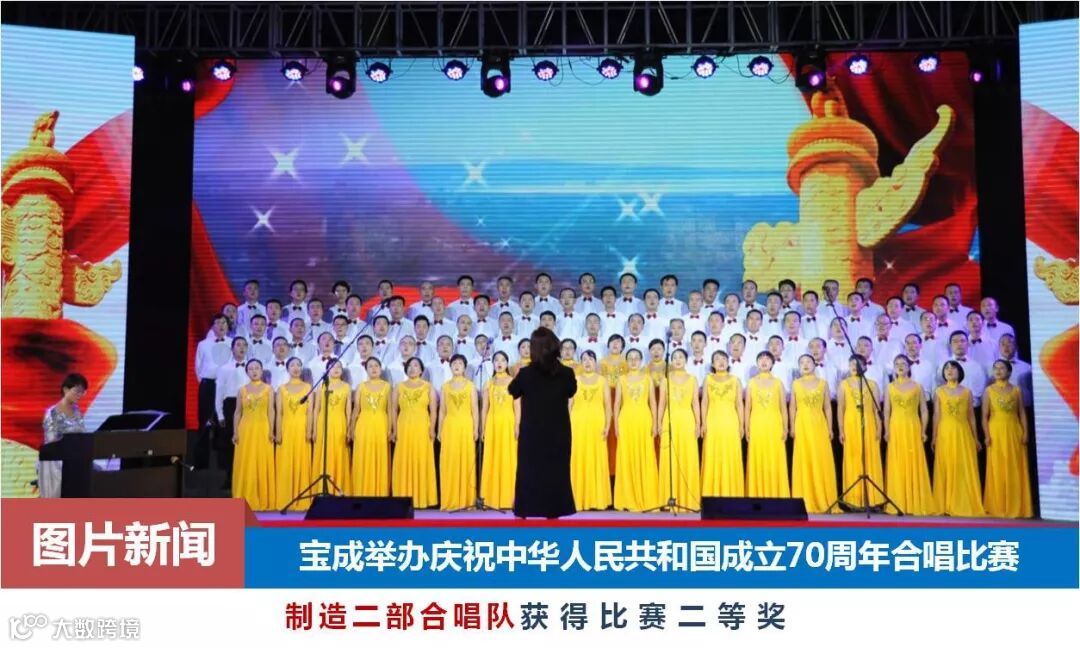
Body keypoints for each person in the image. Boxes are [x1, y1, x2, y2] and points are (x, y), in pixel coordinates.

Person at [508, 327, 578, 518]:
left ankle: (525, 508)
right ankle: (554, 510)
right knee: (556, 470)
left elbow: (513, 390)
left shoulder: (525, 373)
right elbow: (571, 391)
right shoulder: (566, 372)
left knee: (529, 469)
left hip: (532, 432)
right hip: (558, 431)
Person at [883, 355, 938, 516]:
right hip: (896, 427)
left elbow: (924, 410)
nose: (900, 366)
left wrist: (923, 430)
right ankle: (898, 502)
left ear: (909, 367)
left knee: (913, 461)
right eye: (897, 364)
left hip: (913, 426)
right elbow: (886, 411)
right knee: (897, 461)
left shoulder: (917, 387)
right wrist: (886, 430)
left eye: (903, 363)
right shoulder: (890, 387)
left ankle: (915, 502)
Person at [933, 361, 984, 517]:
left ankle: (963, 503)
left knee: (963, 467)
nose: (949, 371)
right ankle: (945, 504)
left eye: (952, 368)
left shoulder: (967, 392)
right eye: (946, 369)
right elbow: (936, 415)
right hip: (945, 432)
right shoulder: (939, 391)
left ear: (959, 371)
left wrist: (976, 438)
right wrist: (934, 437)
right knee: (947, 465)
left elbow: (971, 417)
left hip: (963, 433)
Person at [982, 360, 1033, 518]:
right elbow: (984, 416)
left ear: (1009, 372)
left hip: (1014, 431)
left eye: (1002, 368)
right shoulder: (989, 391)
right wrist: (987, 435)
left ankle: (1017, 506)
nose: (998, 370)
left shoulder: (1016, 390)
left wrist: (1026, 432)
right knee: (997, 467)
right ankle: (998, 506)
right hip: (996, 431)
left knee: (1015, 467)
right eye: (995, 368)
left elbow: (1022, 412)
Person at [789, 355, 837, 513]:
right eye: (801, 362)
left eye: (808, 362)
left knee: (820, 458)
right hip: (802, 424)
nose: (805, 365)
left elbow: (828, 407)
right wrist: (792, 427)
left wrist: (830, 428)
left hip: (819, 424)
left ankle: (823, 498)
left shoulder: (823, 383)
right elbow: (792, 407)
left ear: (814, 365)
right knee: (805, 459)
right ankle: (805, 499)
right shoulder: (795, 384)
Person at [613, 348, 660, 511]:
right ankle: (627, 498)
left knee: (645, 456)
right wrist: (616, 424)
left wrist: (655, 423)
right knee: (626, 457)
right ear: (626, 361)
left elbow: (653, 402)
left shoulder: (647, 379)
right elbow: (617, 403)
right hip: (626, 420)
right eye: (630, 358)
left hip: (644, 420)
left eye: (636, 358)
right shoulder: (621, 379)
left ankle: (646, 497)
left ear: (641, 361)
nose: (633, 361)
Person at [656, 349, 701, 510]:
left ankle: (688, 499)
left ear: (686, 360)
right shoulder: (665, 380)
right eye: (674, 357)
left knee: (687, 457)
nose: (677, 360)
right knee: (670, 458)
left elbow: (695, 402)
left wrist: (698, 423)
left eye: (681, 357)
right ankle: (669, 497)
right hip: (670, 419)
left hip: (687, 420)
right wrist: (658, 423)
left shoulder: (692, 379)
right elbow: (662, 403)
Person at [392, 357, 438, 508]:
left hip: (422, 426)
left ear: (421, 369)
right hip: (404, 426)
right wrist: (393, 429)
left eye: (416, 365)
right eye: (410, 366)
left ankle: (422, 498)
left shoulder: (428, 387)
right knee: (404, 459)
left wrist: (432, 428)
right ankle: (403, 499)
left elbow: (433, 410)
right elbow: (393, 409)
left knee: (421, 458)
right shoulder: (399, 387)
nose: (412, 368)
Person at [838, 355, 884, 508]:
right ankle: (854, 500)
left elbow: (877, 409)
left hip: (869, 423)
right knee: (853, 457)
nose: (854, 366)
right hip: (850, 424)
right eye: (851, 363)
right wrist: (841, 430)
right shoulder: (843, 384)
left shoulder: (872, 385)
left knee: (870, 456)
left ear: (864, 367)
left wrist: (879, 428)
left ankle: (872, 499)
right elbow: (840, 408)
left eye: (857, 363)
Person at [569, 350, 612, 511]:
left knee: (596, 457)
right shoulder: (574, 380)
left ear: (595, 362)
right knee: (578, 457)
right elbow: (569, 404)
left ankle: (597, 499)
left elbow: (608, 406)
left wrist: (607, 426)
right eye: (584, 359)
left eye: (591, 359)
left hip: (597, 424)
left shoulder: (602, 381)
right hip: (577, 424)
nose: (587, 362)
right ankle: (577, 499)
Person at [745, 352, 790, 498]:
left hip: (774, 424)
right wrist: (746, 428)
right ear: (757, 363)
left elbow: (783, 407)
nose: (764, 361)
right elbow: (747, 407)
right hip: (757, 424)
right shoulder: (751, 383)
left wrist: (786, 428)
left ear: (772, 363)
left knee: (774, 458)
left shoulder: (778, 383)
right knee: (757, 458)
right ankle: (756, 495)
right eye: (761, 359)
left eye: (767, 359)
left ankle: (777, 495)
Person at [233, 360, 276, 510]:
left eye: (257, 368)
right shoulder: (242, 390)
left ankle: (262, 498)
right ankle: (244, 497)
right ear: (247, 372)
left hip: (263, 428)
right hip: (246, 429)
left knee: (261, 461)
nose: (254, 371)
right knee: (246, 461)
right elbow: (237, 413)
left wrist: (271, 430)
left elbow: (271, 411)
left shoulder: (268, 389)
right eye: (250, 369)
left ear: (262, 370)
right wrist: (235, 432)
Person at [438, 355, 480, 510]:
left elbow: (475, 409)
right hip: (450, 426)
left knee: (466, 461)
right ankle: (450, 500)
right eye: (454, 363)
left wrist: (476, 428)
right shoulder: (445, 387)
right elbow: (442, 410)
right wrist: (439, 430)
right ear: (450, 367)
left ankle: (466, 500)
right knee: (450, 462)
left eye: (460, 363)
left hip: (466, 425)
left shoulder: (470, 386)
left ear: (464, 367)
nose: (456, 365)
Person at [39, 373, 89, 497]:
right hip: (55, 464)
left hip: (75, 461)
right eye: (77, 391)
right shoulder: (52, 413)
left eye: (83, 392)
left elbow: (82, 433)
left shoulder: (77, 411)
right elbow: (51, 441)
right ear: (66, 389)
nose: (80, 395)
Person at [480, 352, 519, 509]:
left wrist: (517, 425)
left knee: (508, 458)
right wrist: (482, 428)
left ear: (507, 363)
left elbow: (517, 407)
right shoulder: (488, 383)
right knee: (492, 457)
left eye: (503, 360)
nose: (499, 363)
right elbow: (484, 408)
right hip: (492, 422)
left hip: (508, 422)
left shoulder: (513, 382)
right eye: (496, 360)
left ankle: (509, 499)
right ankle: (491, 498)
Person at [349, 358, 392, 497]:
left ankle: (380, 493)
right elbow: (356, 409)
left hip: (381, 424)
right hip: (364, 424)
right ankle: (362, 492)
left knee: (380, 458)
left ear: (380, 368)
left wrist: (391, 429)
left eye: (376, 366)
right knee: (363, 457)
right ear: (366, 369)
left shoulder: (387, 387)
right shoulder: (361, 386)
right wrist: (351, 427)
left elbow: (390, 409)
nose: (373, 369)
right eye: (370, 366)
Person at [275, 358, 313, 510]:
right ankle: (285, 498)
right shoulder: (281, 389)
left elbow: (310, 412)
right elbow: (279, 413)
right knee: (286, 462)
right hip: (286, 428)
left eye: (298, 365)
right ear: (287, 368)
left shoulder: (308, 387)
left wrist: (309, 430)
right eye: (292, 365)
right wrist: (278, 432)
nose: (296, 368)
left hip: (302, 428)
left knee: (302, 461)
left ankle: (302, 498)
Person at [310, 361, 352, 496]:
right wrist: (314, 429)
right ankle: (322, 490)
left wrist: (349, 428)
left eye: (339, 366)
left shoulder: (346, 387)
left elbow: (348, 410)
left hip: (340, 422)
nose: (336, 369)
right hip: (323, 422)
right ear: (327, 369)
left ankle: (338, 489)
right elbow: (316, 409)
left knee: (339, 453)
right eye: (332, 367)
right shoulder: (322, 386)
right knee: (324, 454)